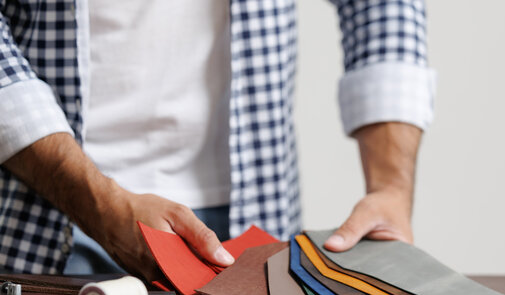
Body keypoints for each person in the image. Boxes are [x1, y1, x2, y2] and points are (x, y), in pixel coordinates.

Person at [0, 0, 435, 280]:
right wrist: (95, 200)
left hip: (251, 227)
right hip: (43, 217)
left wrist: (390, 188)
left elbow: (382, 7)